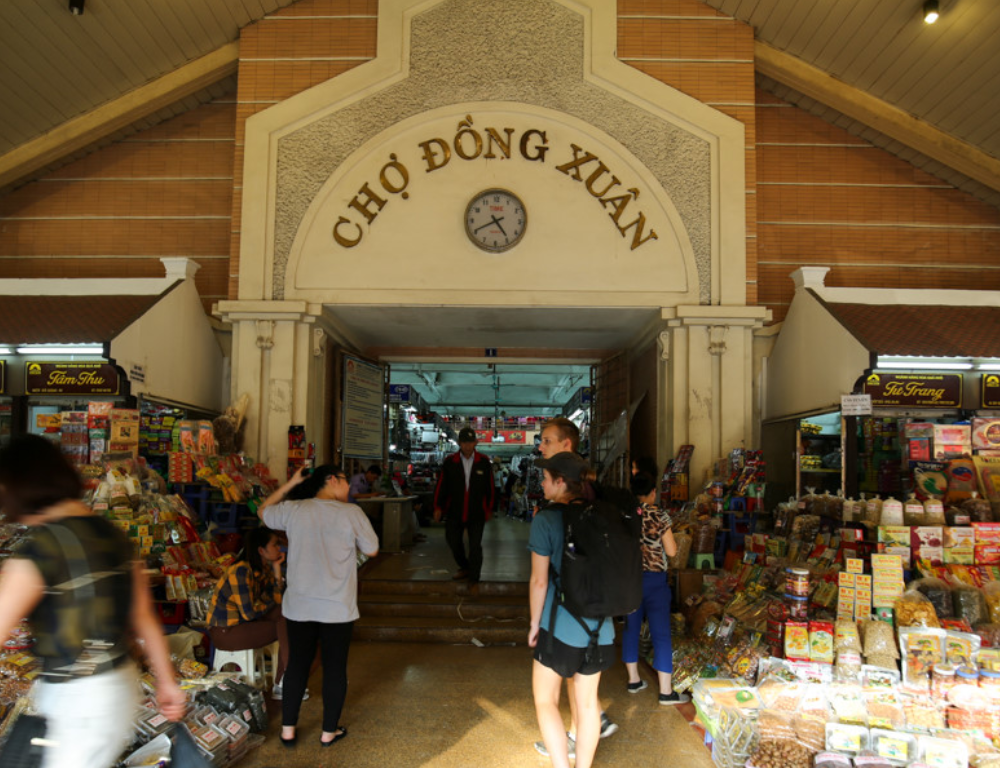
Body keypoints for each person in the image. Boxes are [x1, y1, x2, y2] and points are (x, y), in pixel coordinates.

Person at [0, 435, 186, 768]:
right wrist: (167, 682)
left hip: (78, 701)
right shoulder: (111, 534)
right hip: (119, 688)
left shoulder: (41, 550)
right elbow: (143, 617)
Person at [257, 465, 379, 748]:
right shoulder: (351, 514)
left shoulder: (296, 510)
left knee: (297, 664)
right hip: (337, 607)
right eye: (346, 481)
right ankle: (328, 732)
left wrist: (291, 484)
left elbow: (263, 510)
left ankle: (288, 730)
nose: (349, 487)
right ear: (333, 480)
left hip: (299, 606)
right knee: (335, 667)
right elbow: (372, 549)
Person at [532, 418, 617, 759]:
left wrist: (532, 625)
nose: (541, 445)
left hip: (561, 623)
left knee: (544, 700)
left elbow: (539, 580)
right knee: (587, 706)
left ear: (559, 481)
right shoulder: (604, 511)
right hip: (602, 624)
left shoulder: (547, 519)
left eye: (545, 476)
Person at [622, 472, 689, 705]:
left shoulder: (625, 514)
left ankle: (633, 680)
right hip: (655, 581)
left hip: (630, 580)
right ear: (652, 492)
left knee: (631, 628)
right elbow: (671, 552)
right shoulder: (659, 515)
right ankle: (665, 691)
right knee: (661, 633)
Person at [206, 525, 291, 698]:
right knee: (287, 625)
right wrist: (268, 603)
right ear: (261, 550)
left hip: (243, 625)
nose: (279, 548)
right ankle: (285, 680)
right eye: (275, 545)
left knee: (286, 614)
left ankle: (285, 679)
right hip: (226, 632)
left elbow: (276, 600)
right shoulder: (241, 570)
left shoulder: (262, 568)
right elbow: (249, 613)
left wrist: (276, 570)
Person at [433, 427, 495, 583]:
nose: (467, 446)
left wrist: (489, 508)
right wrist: (438, 507)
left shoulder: (484, 462)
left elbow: (491, 488)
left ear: (475, 442)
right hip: (455, 510)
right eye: (464, 442)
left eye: (470, 442)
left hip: (477, 512)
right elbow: (442, 486)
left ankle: (474, 579)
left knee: (475, 546)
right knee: (453, 541)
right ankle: (465, 566)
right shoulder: (450, 462)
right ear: (459, 443)